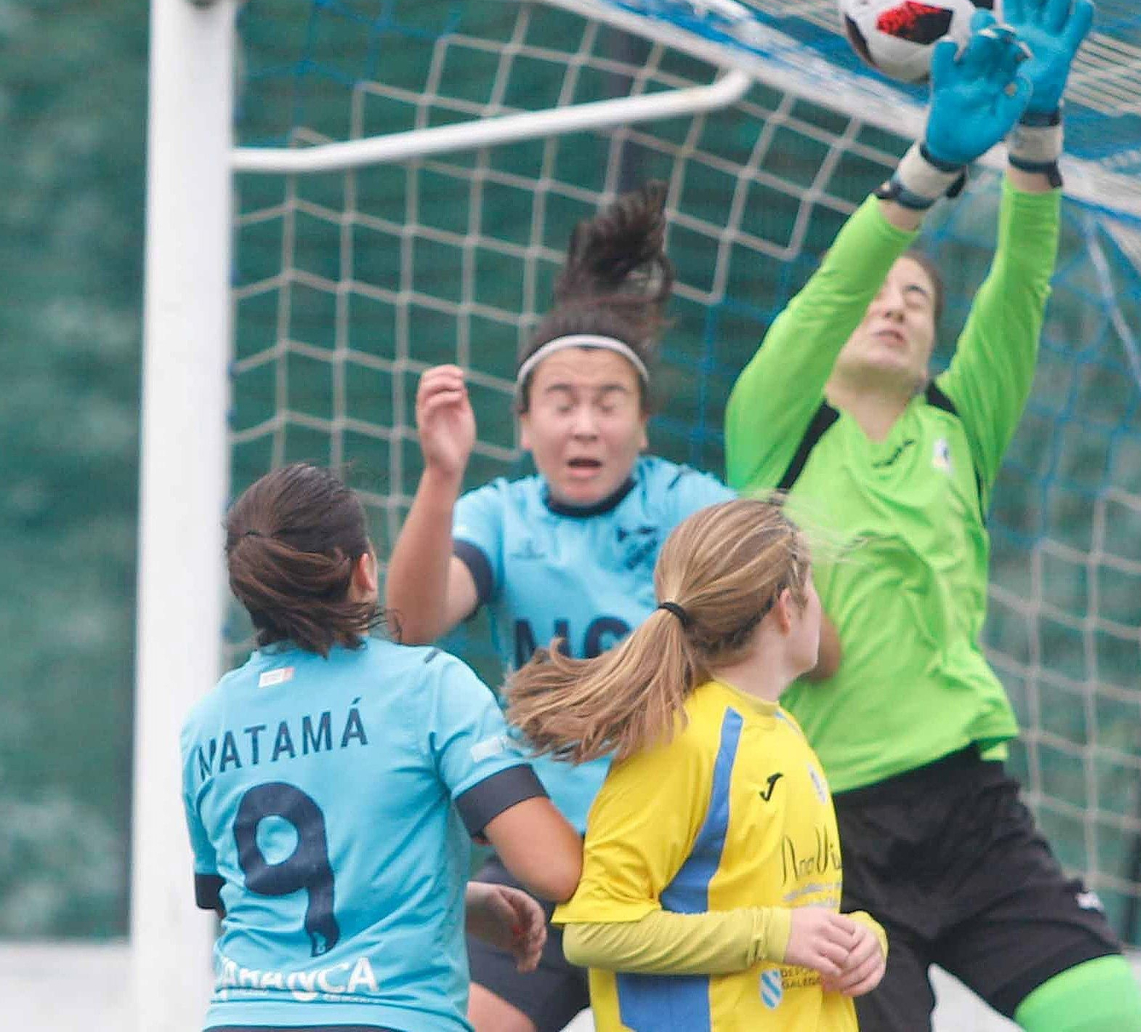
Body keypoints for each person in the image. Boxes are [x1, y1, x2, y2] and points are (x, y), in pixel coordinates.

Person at [724, 0, 1141, 1032]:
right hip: (821, 834)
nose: (894, 305)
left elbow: (1023, 280)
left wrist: (1038, 130)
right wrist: (928, 166)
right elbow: (835, 283)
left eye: (916, 296)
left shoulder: (959, 430)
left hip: (972, 810)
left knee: (1113, 1019)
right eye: (881, 293)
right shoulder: (776, 428)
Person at [384, 183, 735, 1032]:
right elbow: (412, 624)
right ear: (525, 421)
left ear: (643, 424)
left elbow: (789, 634)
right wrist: (441, 476)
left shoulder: (689, 506)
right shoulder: (499, 516)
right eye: (563, 403)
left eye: (608, 403)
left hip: (681, 864)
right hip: (541, 860)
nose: (585, 425)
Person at [181, 463, 583, 1032]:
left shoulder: (206, 724)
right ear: (366, 571)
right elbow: (555, 870)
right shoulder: (428, 686)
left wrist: (456, 900)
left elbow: (251, 900)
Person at [503, 498, 886, 1030]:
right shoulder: (684, 742)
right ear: (786, 606)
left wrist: (861, 939)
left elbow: (782, 913)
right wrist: (772, 935)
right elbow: (595, 930)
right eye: (814, 584)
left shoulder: (783, 731)